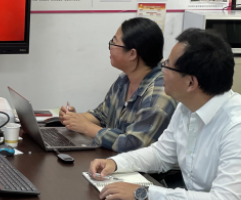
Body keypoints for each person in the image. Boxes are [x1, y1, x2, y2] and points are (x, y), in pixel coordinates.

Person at [89, 28, 241, 200]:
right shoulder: (188, 106)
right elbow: (161, 154)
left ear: (191, 82)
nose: (161, 70)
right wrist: (116, 163)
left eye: (168, 65)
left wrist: (144, 193)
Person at [59, 17, 175, 152]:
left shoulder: (159, 94)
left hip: (141, 166)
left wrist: (86, 127)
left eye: (114, 43)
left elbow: (134, 144)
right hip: (114, 160)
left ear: (132, 54)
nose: (110, 47)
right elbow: (101, 115)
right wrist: (73, 118)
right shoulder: (124, 80)